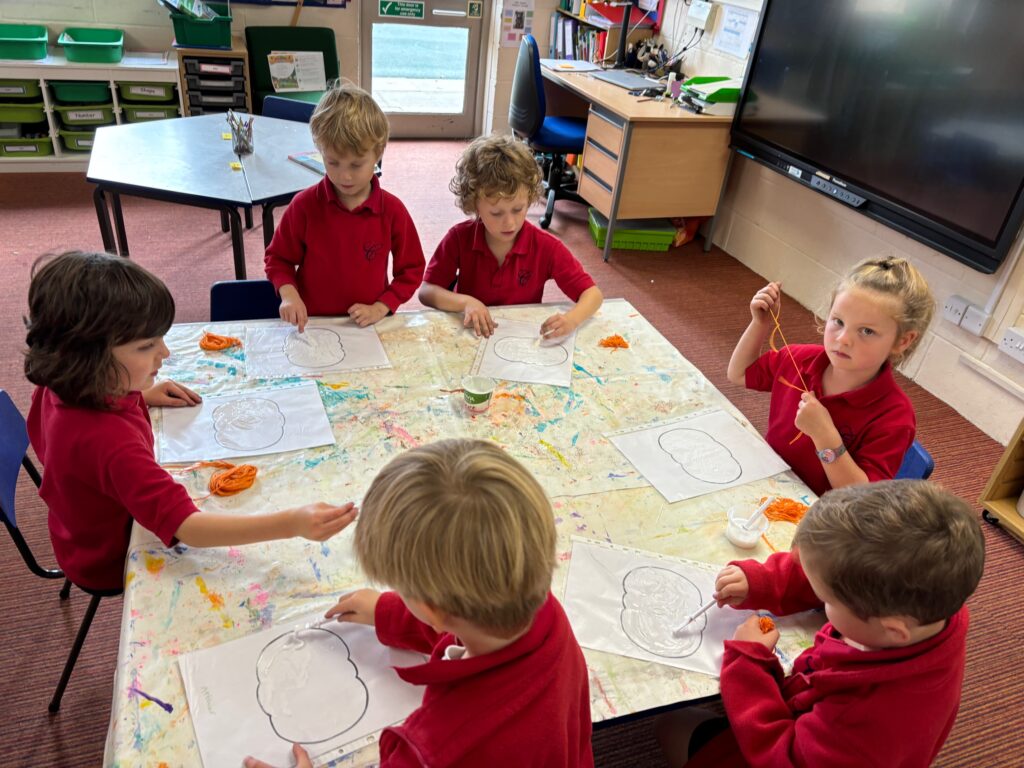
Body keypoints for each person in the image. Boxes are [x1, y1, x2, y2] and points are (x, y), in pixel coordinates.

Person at [244, 438, 594, 768]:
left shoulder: (431, 752)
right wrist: (390, 612)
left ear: (432, 610)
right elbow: (467, 621)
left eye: (403, 590)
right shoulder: (544, 612)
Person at [24, 251, 358, 594]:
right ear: (88, 358)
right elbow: (189, 527)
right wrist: (292, 523)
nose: (165, 353)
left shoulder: (60, 381)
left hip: (74, 530)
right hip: (113, 557)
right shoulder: (111, 444)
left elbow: (62, 443)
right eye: (146, 346)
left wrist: (143, 394)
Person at [656, 480, 985, 767]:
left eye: (826, 599)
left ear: (892, 629)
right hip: (810, 705)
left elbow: (784, 758)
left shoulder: (863, 721)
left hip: (797, 750)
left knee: (672, 726)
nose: (819, 597)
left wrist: (748, 663)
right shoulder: (929, 602)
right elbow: (834, 568)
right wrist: (762, 581)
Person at [726, 256, 934, 496]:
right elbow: (739, 373)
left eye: (867, 331)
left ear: (903, 341)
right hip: (767, 484)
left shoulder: (895, 416)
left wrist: (825, 436)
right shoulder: (799, 359)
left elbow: (860, 498)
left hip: (822, 517)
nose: (843, 339)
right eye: (838, 321)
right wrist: (759, 323)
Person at [265, 82, 425, 331]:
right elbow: (278, 259)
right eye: (333, 162)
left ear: (378, 153)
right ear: (320, 151)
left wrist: (382, 306)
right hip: (313, 324)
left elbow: (412, 269)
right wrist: (289, 295)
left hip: (368, 326)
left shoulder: (393, 211)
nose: (344, 176)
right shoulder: (304, 206)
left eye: (356, 165)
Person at [418, 133, 603, 339]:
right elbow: (427, 292)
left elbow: (592, 294)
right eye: (496, 213)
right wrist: (466, 302)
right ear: (475, 205)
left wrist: (571, 319)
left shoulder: (545, 247)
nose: (510, 223)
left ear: (530, 198)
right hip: (471, 335)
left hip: (520, 337)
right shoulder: (459, 238)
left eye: (518, 209)